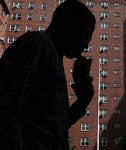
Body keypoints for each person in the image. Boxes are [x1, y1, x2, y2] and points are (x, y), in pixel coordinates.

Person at [0, 0, 95, 149]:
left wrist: (83, 101)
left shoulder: (54, 56)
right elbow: (7, 108)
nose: (86, 44)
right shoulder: (38, 43)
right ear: (69, 23)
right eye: (86, 34)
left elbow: (52, 130)